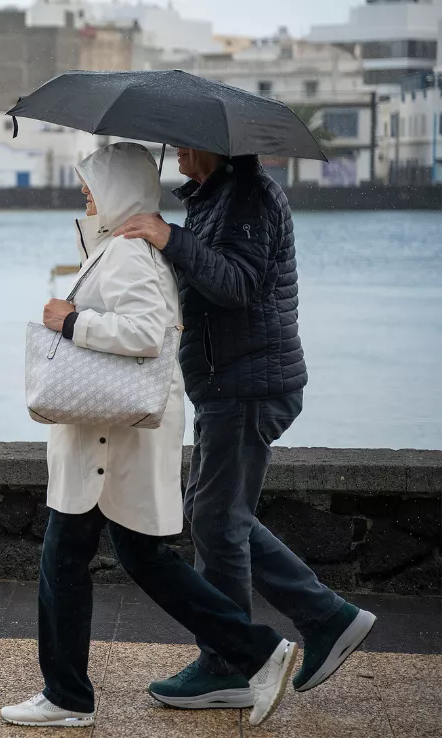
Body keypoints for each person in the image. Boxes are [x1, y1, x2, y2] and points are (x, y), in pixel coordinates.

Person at [1, 143, 297, 730]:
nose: (85, 193)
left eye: (93, 182)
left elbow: (146, 332)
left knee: (66, 560)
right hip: (111, 439)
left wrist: (71, 320)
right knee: (141, 559)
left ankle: (67, 697)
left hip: (110, 445)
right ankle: (258, 651)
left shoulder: (128, 253)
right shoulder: (116, 247)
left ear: (117, 188)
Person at [114, 150, 376, 707]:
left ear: (215, 145)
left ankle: (240, 658)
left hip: (251, 383)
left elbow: (236, 285)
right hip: (227, 382)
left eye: (186, 141)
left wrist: (170, 237)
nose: (178, 151)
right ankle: (304, 626)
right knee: (217, 516)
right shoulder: (219, 199)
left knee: (219, 519)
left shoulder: (249, 196)